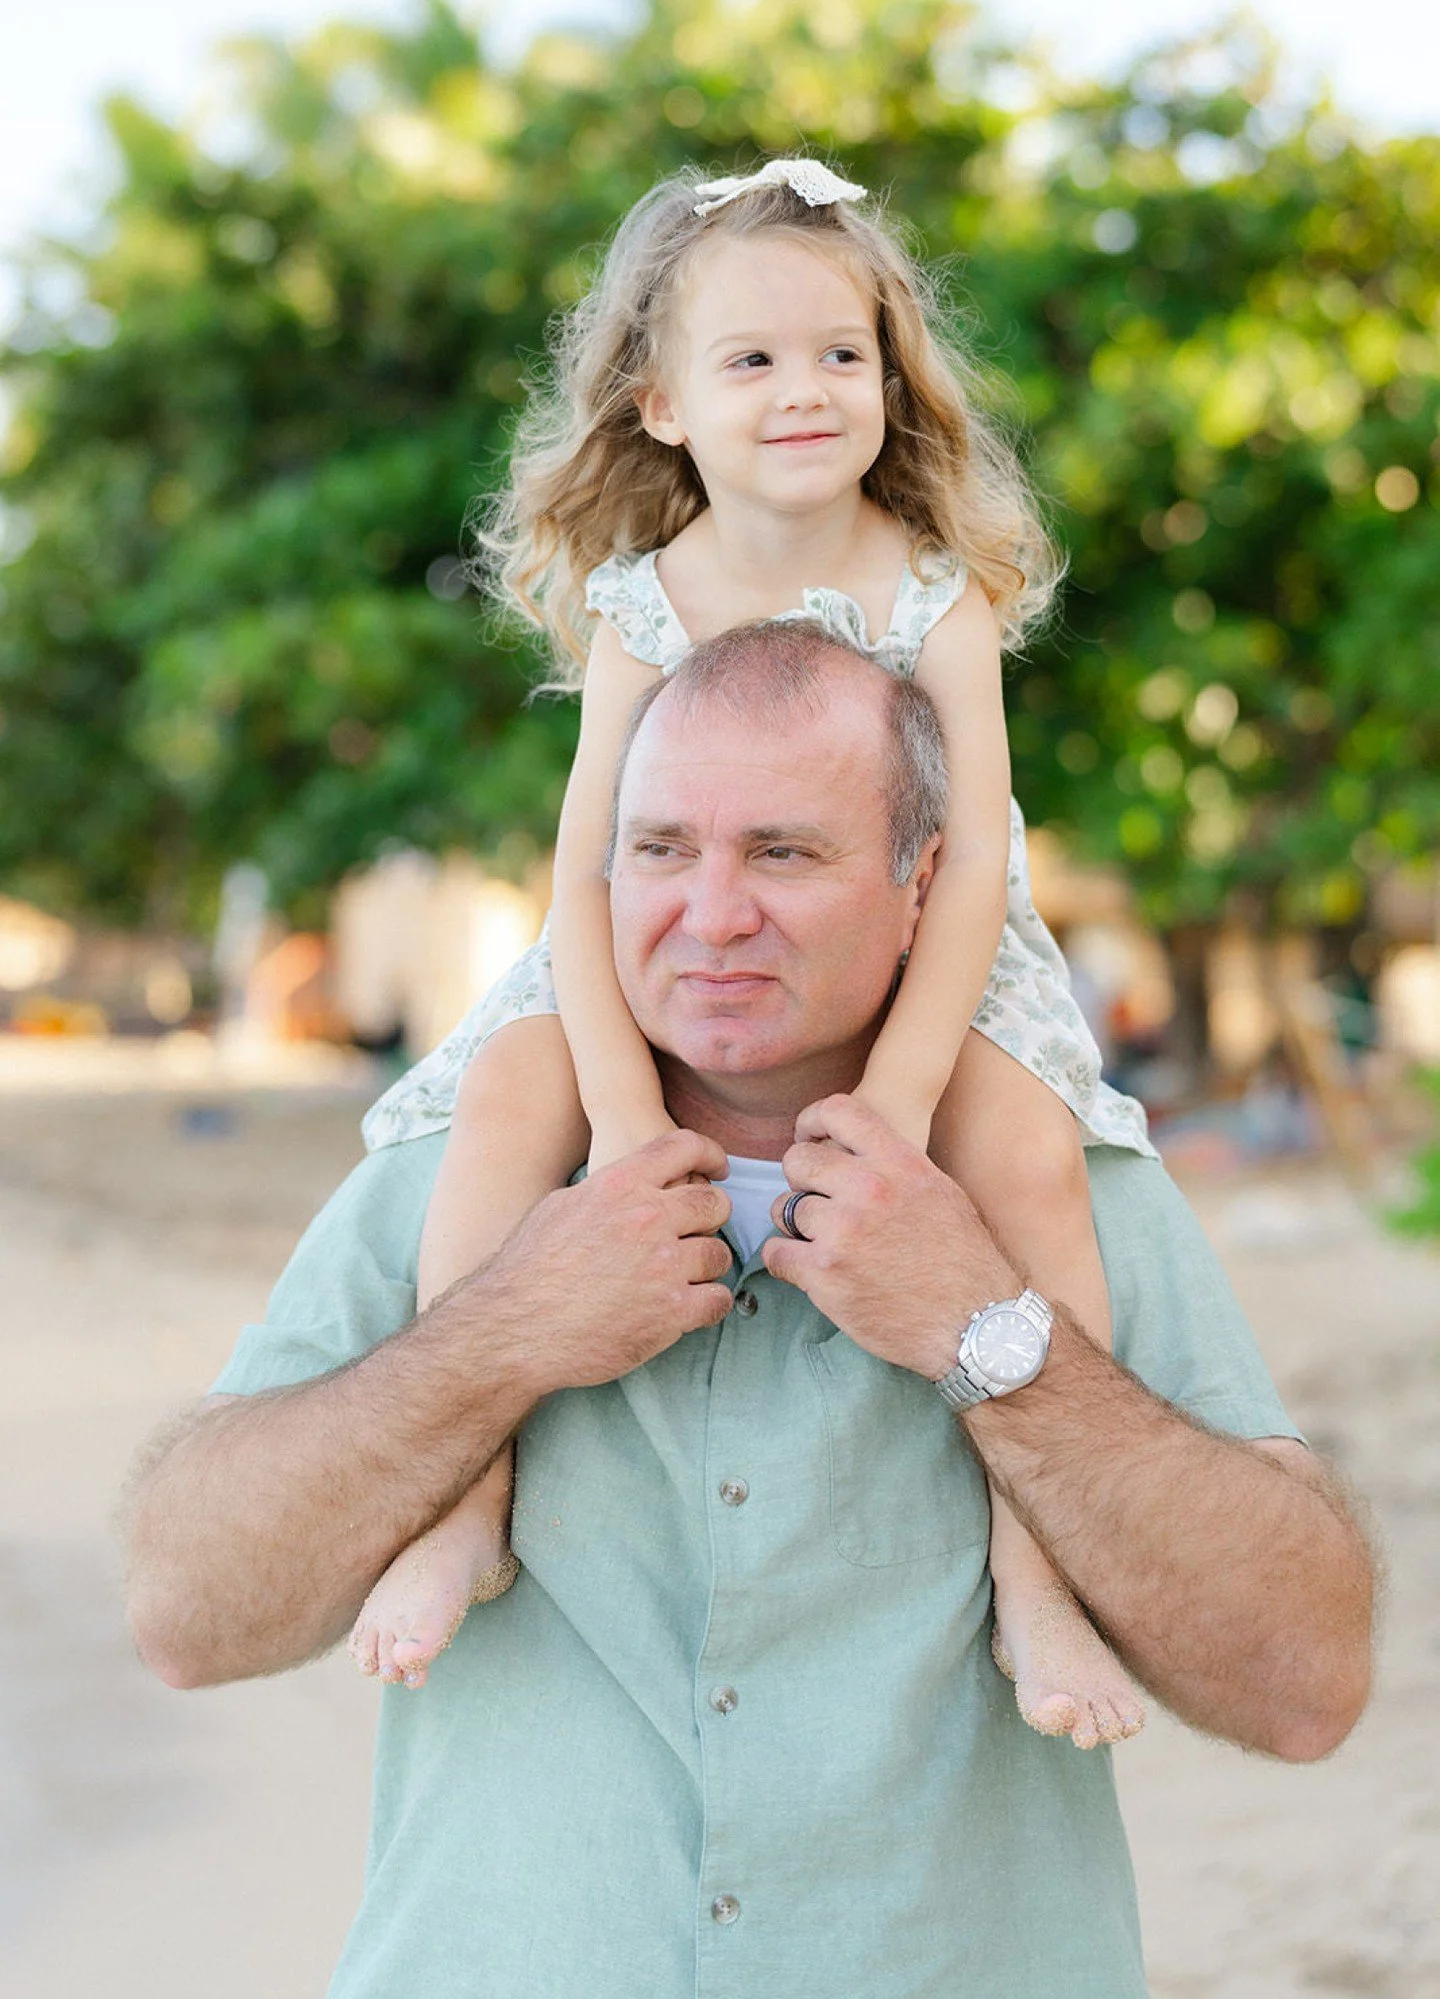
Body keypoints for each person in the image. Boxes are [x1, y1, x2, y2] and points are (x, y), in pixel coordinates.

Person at [124, 623, 1373, 1999]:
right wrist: (506, 1327)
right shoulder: (457, 1173)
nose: (710, 914)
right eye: (661, 850)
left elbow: (1302, 1680)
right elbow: (189, 1607)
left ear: (925, 885)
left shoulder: (1062, 1187)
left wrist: (987, 1331)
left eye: (783, 852)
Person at [350, 158, 1154, 1745]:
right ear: (659, 403)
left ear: (892, 372)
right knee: (504, 1113)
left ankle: (1042, 1561)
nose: (807, 390)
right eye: (754, 360)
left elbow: (978, 855)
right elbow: (589, 872)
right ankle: (463, 1483)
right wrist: (627, 1113)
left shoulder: (936, 598)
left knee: (1039, 1164)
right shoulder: (648, 602)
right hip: (650, 938)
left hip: (937, 938)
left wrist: (912, 1094)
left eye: (841, 354)